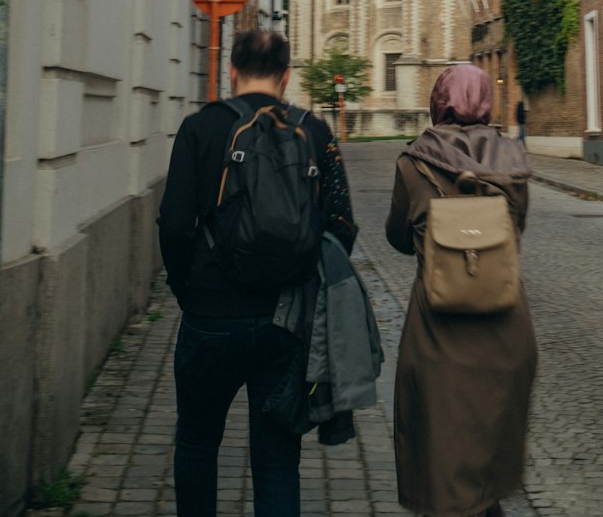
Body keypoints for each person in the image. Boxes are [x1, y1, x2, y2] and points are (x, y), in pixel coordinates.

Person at [158, 28, 357, 517]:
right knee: (276, 462)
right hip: (283, 322)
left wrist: (189, 290)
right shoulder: (315, 132)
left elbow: (175, 225)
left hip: (208, 317)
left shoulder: (199, 128)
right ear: (287, 77)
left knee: (198, 443)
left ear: (231, 71)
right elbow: (342, 226)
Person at [386, 63, 537, 517]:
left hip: (438, 333)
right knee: (486, 468)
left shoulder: (413, 161)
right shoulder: (514, 161)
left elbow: (396, 236)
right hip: (505, 328)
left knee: (442, 461)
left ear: (439, 103)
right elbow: (517, 230)